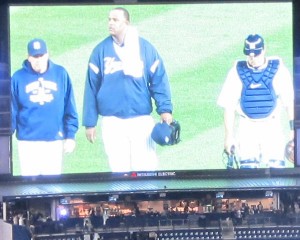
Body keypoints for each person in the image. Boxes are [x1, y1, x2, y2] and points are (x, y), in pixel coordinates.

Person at [82, 7, 173, 172]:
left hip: (141, 120)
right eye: (109, 19)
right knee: (118, 170)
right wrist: (90, 123)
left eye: (115, 20)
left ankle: (146, 198)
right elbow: (91, 87)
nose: (110, 23)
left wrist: (165, 109)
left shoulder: (145, 48)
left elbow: (159, 80)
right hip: (112, 121)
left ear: (127, 23)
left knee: (146, 169)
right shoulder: (100, 51)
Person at [217, 34, 294, 168]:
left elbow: (289, 102)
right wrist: (229, 136)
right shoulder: (237, 71)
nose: (252, 58)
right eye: (249, 55)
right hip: (247, 127)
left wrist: (294, 130)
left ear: (264, 50)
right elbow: (229, 107)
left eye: (256, 55)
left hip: (272, 126)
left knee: (276, 174)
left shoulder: (278, 69)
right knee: (248, 174)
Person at [11, 38, 79, 176]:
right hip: (28, 143)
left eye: (41, 56)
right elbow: (12, 111)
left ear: (47, 54)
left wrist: (70, 135)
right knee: (29, 189)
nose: (38, 60)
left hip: (53, 141)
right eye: (34, 56)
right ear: (28, 57)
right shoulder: (17, 78)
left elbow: (69, 107)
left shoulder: (61, 74)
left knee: (52, 188)